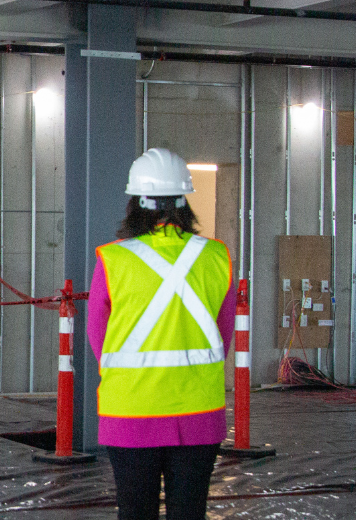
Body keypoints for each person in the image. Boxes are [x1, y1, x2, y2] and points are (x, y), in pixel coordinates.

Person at [89, 149, 235, 520]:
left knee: (135, 512)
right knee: (189, 513)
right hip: (199, 412)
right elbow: (224, 333)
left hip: (130, 411)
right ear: (184, 201)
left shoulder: (114, 259)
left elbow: (97, 337)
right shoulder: (217, 256)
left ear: (135, 202)